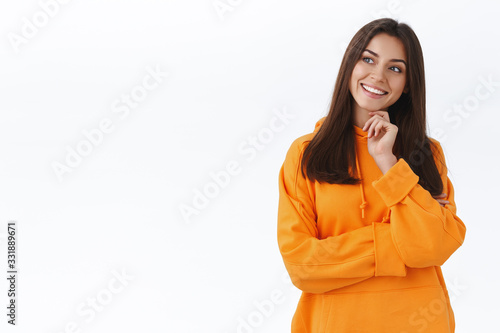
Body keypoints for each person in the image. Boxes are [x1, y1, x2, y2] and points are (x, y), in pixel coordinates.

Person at [277, 18, 466, 332]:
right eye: (368, 59)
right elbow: (302, 265)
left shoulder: (427, 155)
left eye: (395, 68)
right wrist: (402, 243)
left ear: (408, 84)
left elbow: (434, 247)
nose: (378, 76)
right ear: (350, 64)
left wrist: (388, 164)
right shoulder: (306, 154)